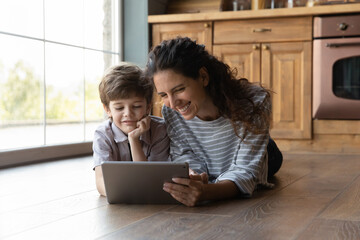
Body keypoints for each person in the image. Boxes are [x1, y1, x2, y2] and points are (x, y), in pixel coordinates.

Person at [145, 37, 283, 207]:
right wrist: (193, 176)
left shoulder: (256, 100)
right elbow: (184, 153)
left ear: (203, 76)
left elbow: (246, 171)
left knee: (269, 156)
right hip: (212, 159)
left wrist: (206, 192)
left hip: (262, 154)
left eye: (179, 89)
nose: (173, 104)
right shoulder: (170, 111)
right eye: (164, 95)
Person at [93, 64, 170, 196]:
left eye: (136, 106)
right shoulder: (102, 135)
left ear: (148, 107)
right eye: (119, 108)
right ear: (107, 110)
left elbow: (150, 179)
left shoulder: (160, 130)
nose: (128, 113)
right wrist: (127, 194)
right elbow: (101, 182)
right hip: (122, 198)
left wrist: (134, 139)